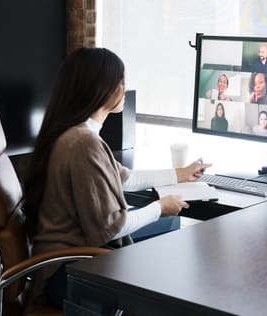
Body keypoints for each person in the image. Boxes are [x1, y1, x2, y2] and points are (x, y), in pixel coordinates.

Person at [23, 47, 212, 309]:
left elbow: (123, 178)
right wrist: (159, 207)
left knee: (170, 228)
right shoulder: (82, 142)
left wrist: (180, 174)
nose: (125, 88)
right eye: (121, 82)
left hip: (69, 260)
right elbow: (108, 228)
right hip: (69, 272)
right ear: (101, 89)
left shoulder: (76, 132)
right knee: (172, 247)